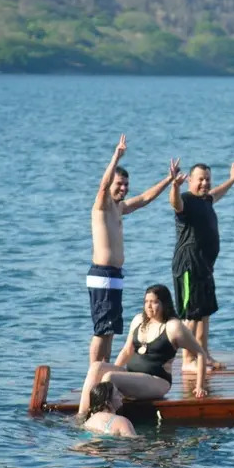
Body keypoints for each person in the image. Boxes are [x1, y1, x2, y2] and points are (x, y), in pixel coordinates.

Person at [88, 134, 177, 364]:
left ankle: (103, 370)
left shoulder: (120, 208)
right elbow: (103, 185)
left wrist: (169, 179)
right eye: (119, 184)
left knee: (110, 329)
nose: (124, 188)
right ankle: (93, 372)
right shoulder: (102, 205)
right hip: (102, 275)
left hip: (114, 275)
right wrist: (116, 156)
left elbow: (146, 198)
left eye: (126, 184)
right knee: (101, 329)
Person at [78, 284, 209, 416]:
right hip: (133, 375)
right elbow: (126, 351)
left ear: (165, 304)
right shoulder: (138, 320)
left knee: (109, 377)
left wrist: (199, 386)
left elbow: (200, 353)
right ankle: (82, 415)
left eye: (154, 302)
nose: (149, 306)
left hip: (157, 381)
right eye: (146, 302)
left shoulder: (173, 326)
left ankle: (101, 417)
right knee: (96, 367)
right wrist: (115, 369)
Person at [170, 159, 234, 373]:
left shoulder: (206, 200)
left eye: (207, 179)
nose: (204, 183)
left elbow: (216, 193)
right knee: (191, 315)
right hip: (188, 266)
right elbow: (175, 204)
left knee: (204, 313)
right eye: (200, 179)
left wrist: (232, 180)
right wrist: (174, 186)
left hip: (205, 266)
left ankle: (203, 355)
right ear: (190, 181)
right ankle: (187, 360)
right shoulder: (185, 199)